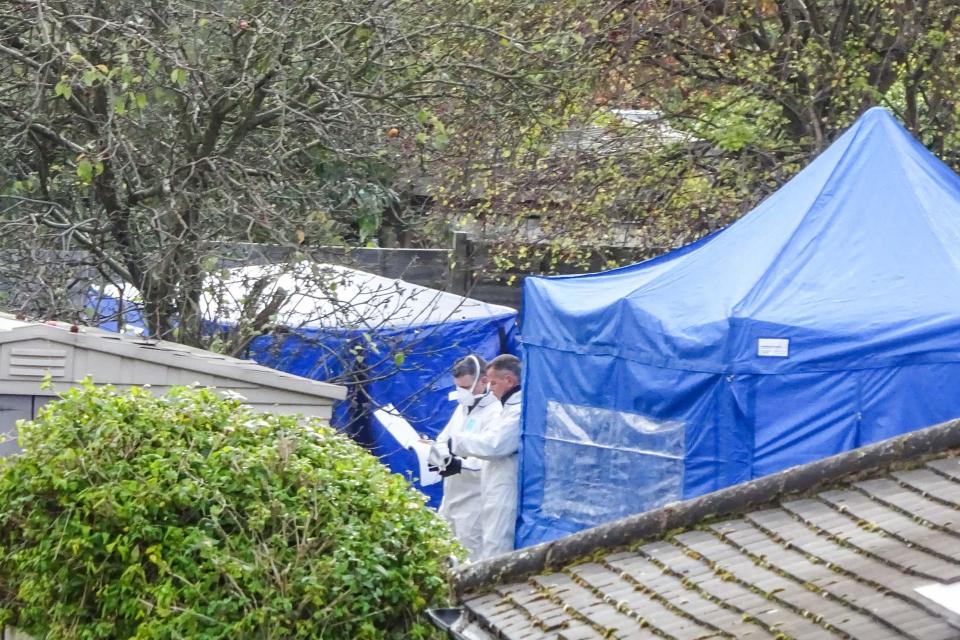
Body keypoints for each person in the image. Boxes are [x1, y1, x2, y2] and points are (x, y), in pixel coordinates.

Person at [428, 354, 499, 559]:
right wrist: (436, 454)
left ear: (484, 381)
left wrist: (459, 464)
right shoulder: (462, 408)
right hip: (450, 496)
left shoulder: (495, 412)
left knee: (469, 558)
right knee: (441, 554)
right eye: (458, 386)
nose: (461, 392)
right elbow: (443, 439)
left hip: (474, 502)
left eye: (466, 387)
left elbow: (489, 456)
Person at [452, 354, 522, 559]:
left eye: (493, 382)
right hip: (487, 485)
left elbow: (495, 445)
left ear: (509, 380)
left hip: (501, 485)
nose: (490, 388)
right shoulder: (505, 408)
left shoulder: (516, 410)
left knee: (495, 546)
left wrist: (457, 446)